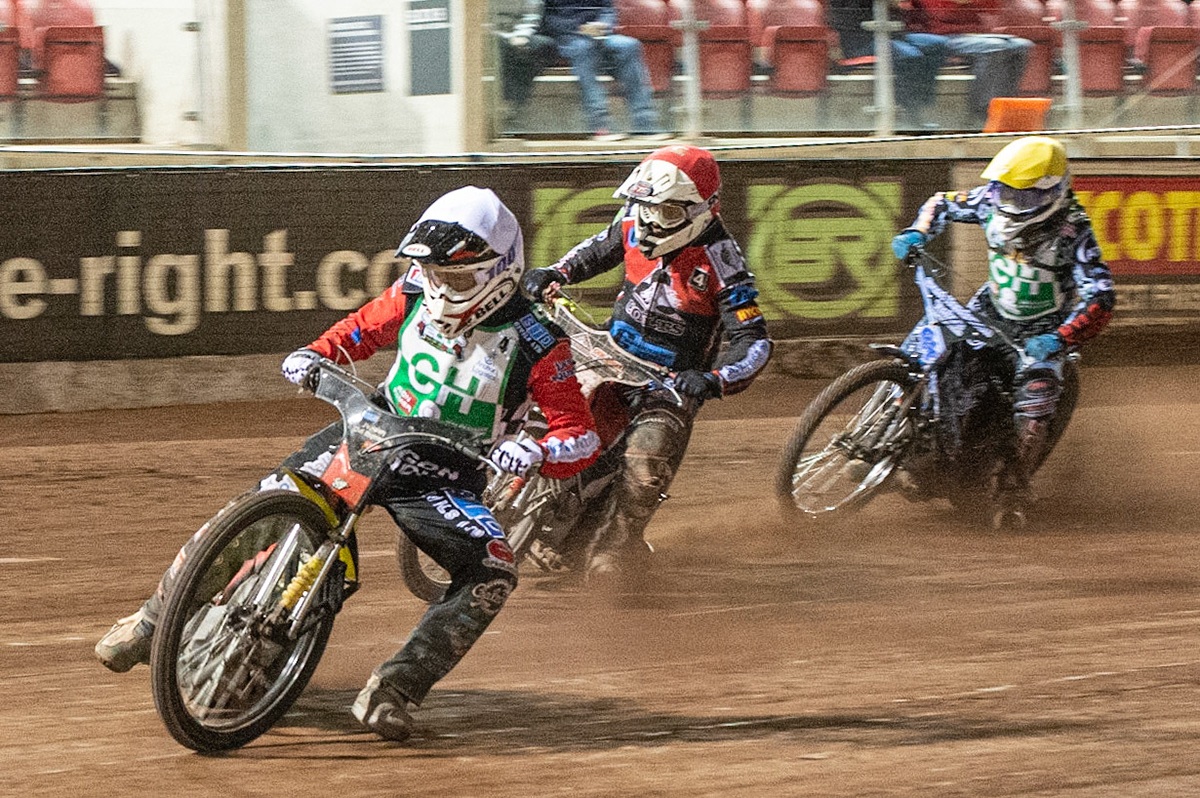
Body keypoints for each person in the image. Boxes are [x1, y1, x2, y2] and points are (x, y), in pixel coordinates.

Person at [94, 186, 602, 742]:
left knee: (493, 570)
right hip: (371, 429)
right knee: (255, 510)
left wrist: (535, 450)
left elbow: (580, 435)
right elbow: (362, 329)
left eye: (453, 279)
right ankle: (150, 623)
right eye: (430, 274)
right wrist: (315, 354)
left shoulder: (538, 340)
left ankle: (395, 688)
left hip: (443, 472)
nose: (436, 288)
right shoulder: (413, 292)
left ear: (499, 273)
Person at [521, 145, 772, 581]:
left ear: (704, 211)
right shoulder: (635, 224)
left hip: (670, 382)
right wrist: (555, 273)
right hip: (610, 354)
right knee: (544, 402)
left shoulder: (723, 264)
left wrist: (713, 379)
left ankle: (618, 547)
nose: (653, 221)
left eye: (669, 212)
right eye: (647, 206)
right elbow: (593, 253)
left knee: (644, 462)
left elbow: (754, 342)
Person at [890, 136, 1115, 528]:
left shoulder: (1074, 231)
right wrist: (918, 232)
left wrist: (1062, 338)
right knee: (927, 339)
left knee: (1038, 395)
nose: (1011, 203)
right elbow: (942, 201)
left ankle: (1012, 488)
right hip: (989, 309)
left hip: (1041, 333)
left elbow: (1101, 296)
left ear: (1052, 193)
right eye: (1006, 191)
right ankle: (890, 424)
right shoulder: (992, 201)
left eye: (1023, 196)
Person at [540, 0, 662, 141]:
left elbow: (607, 9)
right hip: (568, 38)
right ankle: (600, 125)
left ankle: (645, 124)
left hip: (600, 36)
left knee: (630, 46)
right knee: (583, 50)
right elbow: (545, 18)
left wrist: (602, 25)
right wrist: (580, 29)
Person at [903, 0, 1032, 129]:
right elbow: (941, 14)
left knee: (1022, 45)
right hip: (940, 38)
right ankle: (981, 111)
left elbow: (989, 11)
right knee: (995, 47)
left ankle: (1005, 105)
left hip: (971, 35)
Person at [827, 0, 950, 130]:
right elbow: (846, 20)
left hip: (893, 35)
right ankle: (909, 113)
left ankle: (920, 102)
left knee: (938, 44)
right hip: (861, 41)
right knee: (909, 54)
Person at [495, 0, 558, 131]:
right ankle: (506, 106)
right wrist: (507, 38)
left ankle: (515, 108)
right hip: (495, 37)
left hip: (522, 36)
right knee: (504, 50)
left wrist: (521, 36)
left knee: (544, 46)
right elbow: (483, 19)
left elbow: (531, 16)